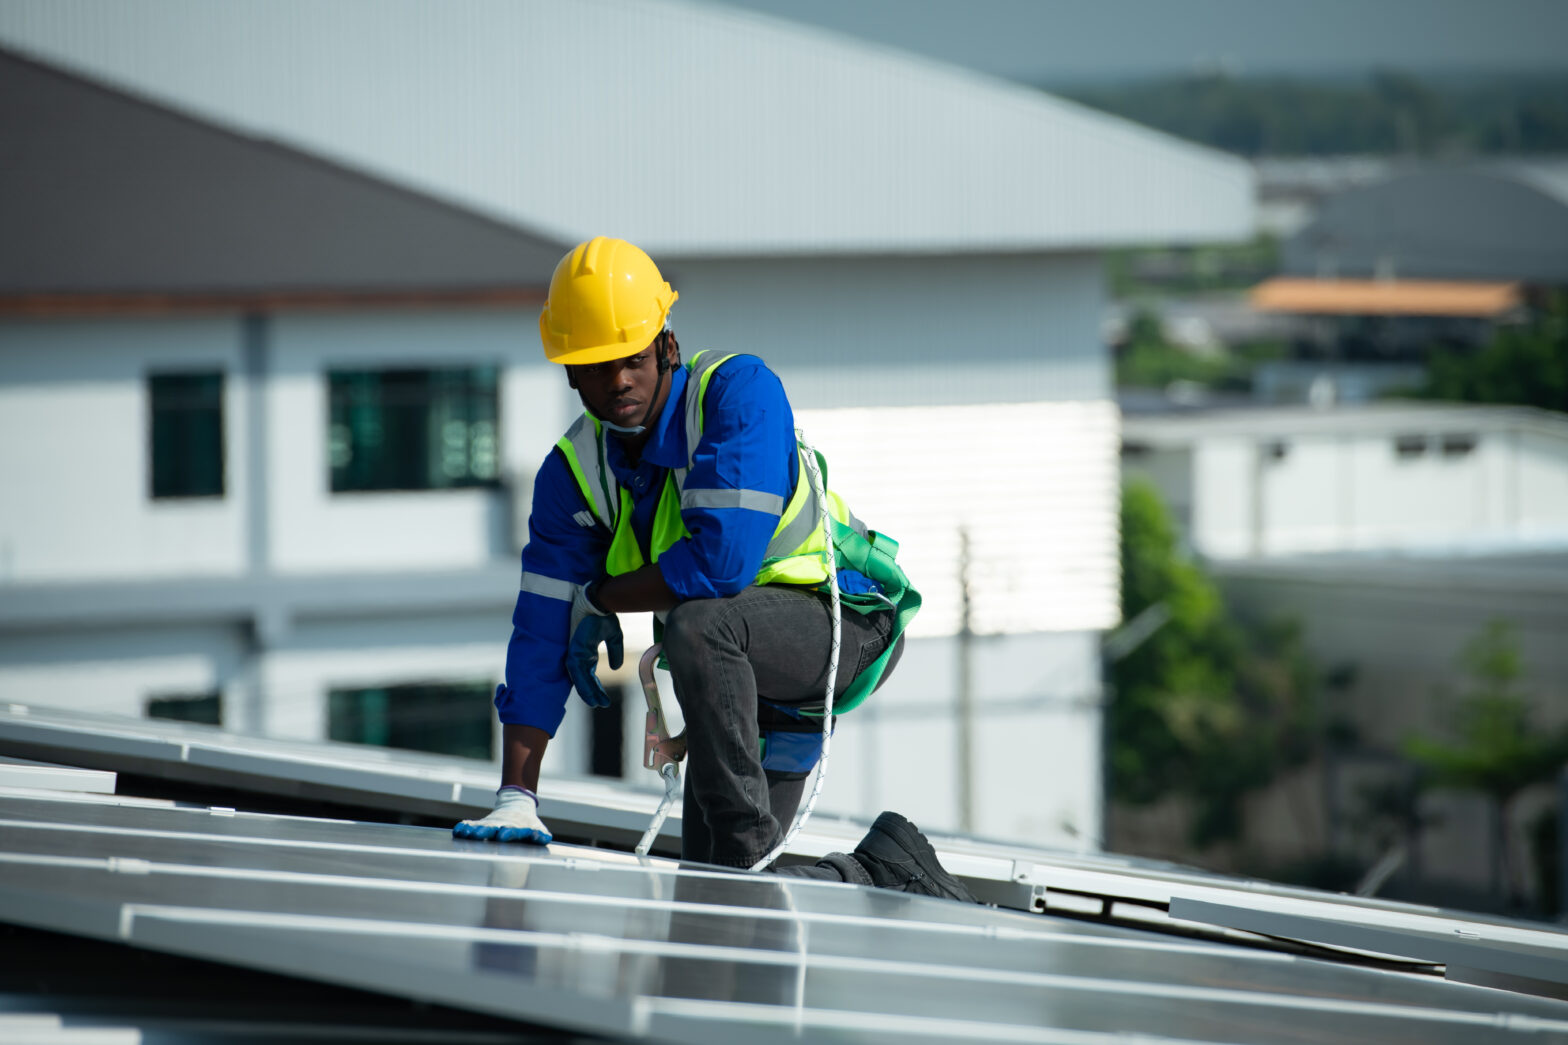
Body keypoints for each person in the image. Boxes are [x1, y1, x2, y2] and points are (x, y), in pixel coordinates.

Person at [454, 236, 973, 902]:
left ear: (666, 344)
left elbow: (720, 564)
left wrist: (603, 595)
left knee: (699, 627)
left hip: (838, 624)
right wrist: (516, 796)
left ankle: (755, 860)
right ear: (569, 374)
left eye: (632, 359)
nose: (617, 382)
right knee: (714, 900)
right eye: (594, 366)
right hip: (744, 678)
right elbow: (539, 633)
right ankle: (873, 869)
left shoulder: (737, 396)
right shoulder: (573, 476)